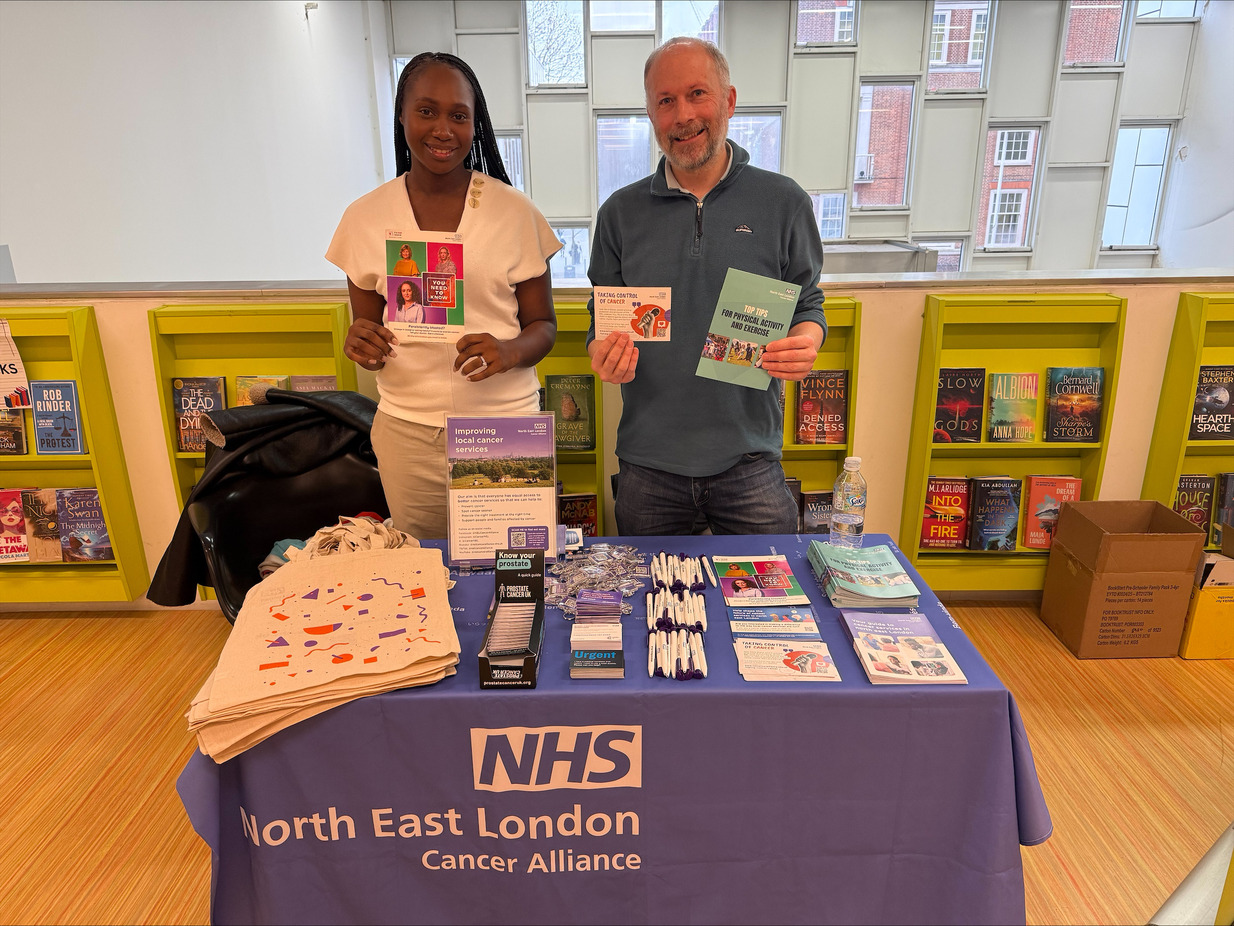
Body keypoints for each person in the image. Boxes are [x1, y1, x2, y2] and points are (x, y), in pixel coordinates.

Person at [587, 37, 826, 536]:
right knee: (646, 589)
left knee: (773, 586)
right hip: (648, 464)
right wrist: (600, 352)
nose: (683, 115)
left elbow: (807, 302)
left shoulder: (784, 202)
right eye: (665, 101)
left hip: (750, 459)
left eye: (698, 94)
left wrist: (806, 341)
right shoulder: (618, 214)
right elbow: (602, 316)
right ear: (651, 114)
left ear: (729, 101)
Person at [326, 52, 561, 540]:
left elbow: (544, 326)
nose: (442, 129)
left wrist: (510, 351)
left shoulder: (514, 212)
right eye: (426, 111)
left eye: (459, 115)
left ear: (475, 125)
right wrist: (362, 345)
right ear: (402, 115)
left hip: (503, 423)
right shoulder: (365, 218)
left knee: (515, 566)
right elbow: (368, 335)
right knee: (426, 568)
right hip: (408, 430)